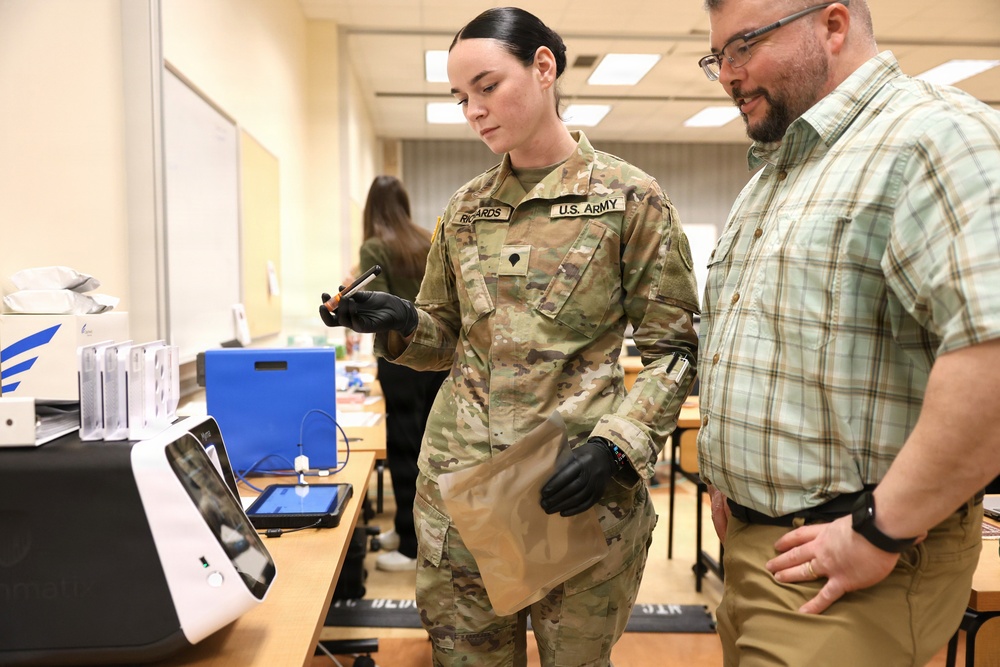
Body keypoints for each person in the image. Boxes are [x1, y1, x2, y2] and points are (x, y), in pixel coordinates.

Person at [320, 7, 699, 665]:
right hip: (464, 494)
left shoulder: (628, 200)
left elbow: (675, 349)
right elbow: (445, 337)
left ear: (544, 68)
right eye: (461, 97)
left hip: (572, 494)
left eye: (487, 86)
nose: (473, 109)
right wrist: (403, 320)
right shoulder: (465, 210)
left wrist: (618, 447)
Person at [695, 0, 1000, 664]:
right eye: (718, 55)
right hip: (759, 548)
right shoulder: (780, 171)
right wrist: (730, 475)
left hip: (858, 567)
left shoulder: (937, 136)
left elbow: (993, 355)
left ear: (832, 25)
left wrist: (879, 528)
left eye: (744, 45)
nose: (728, 74)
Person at [355, 175, 449, 572]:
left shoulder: (374, 247)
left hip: (397, 359)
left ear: (371, 208)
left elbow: (377, 310)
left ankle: (412, 547)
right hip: (433, 355)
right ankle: (407, 528)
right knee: (425, 446)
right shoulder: (425, 238)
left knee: (403, 448)